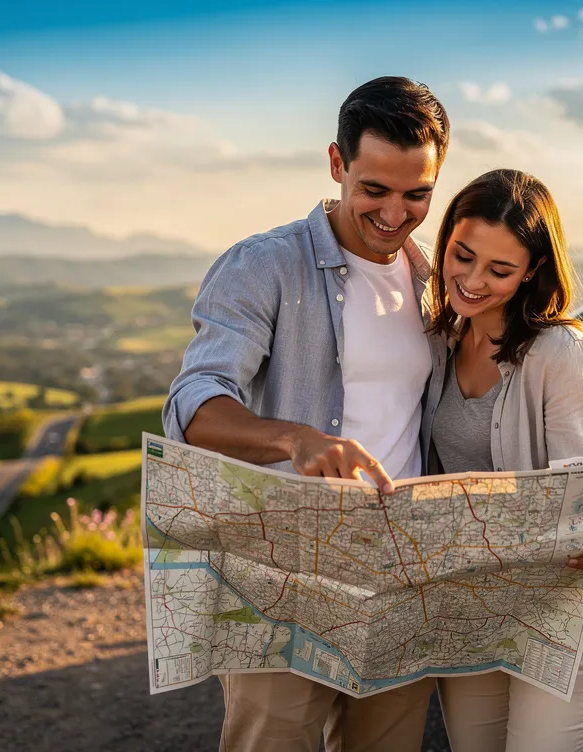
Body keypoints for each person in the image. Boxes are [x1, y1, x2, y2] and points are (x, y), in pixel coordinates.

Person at [161, 76, 449, 752]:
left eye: (417, 195)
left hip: (400, 575)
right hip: (281, 577)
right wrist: (296, 438)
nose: (394, 213)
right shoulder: (263, 266)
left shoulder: (433, 282)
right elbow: (192, 405)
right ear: (336, 163)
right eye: (373, 189)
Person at [425, 169, 583, 752]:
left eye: (499, 270)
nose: (470, 281)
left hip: (556, 620)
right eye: (462, 256)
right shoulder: (438, 341)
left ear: (533, 271)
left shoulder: (560, 354)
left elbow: (579, 496)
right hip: (472, 612)